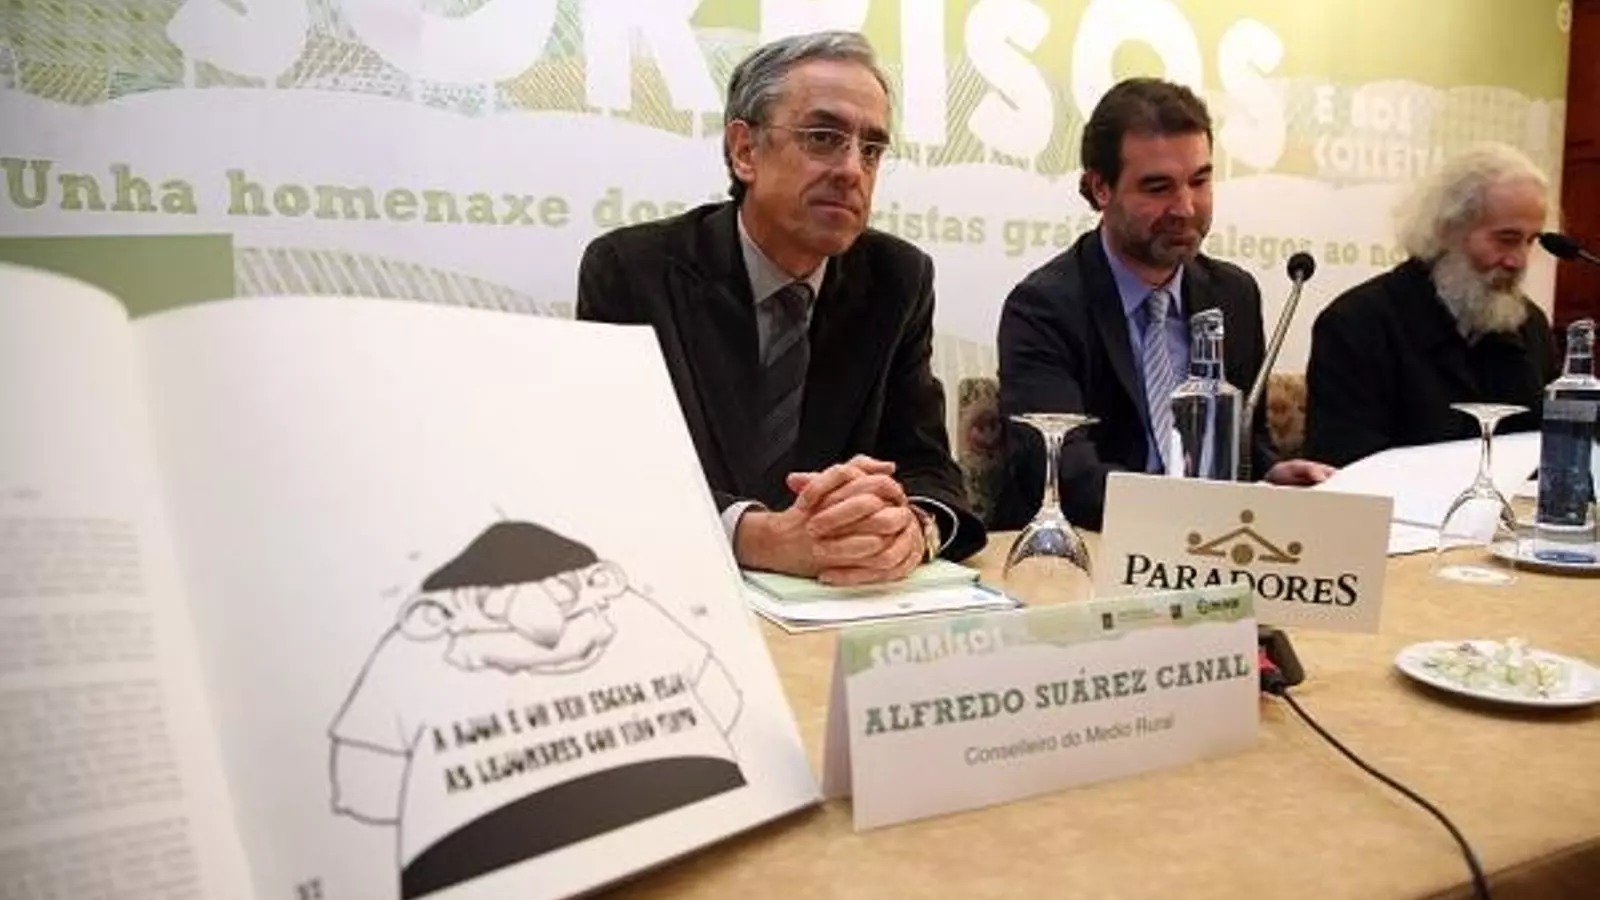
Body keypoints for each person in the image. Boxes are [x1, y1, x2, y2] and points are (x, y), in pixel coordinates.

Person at [577, 31, 984, 583]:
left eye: (871, 149)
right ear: (745, 151)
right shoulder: (633, 271)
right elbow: (614, 469)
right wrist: (758, 536)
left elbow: (926, 466)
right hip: (676, 587)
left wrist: (911, 529)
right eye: (823, 138)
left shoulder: (898, 278)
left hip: (840, 602)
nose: (852, 170)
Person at [993, 77, 1330, 531]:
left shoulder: (1234, 294)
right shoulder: (1043, 308)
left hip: (1210, 544)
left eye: (1200, 181)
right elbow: (1063, 474)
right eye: (1158, 187)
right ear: (1101, 188)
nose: (1186, 207)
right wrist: (1185, 510)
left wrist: (1270, 474)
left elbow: (1241, 443)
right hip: (1092, 543)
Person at [1303, 143, 1560, 467]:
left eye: (1530, 241)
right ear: (1446, 229)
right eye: (1506, 239)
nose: (1518, 261)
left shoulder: (1530, 326)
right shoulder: (1357, 324)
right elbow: (1343, 468)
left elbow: (1549, 455)